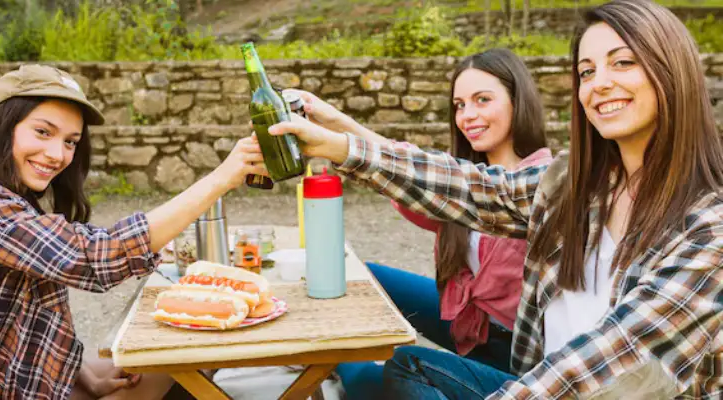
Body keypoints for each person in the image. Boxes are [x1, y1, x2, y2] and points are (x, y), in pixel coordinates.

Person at [269, 0, 723, 398]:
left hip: (577, 388)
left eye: (622, 63)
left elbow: (611, 355)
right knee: (406, 364)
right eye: (586, 71)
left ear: (671, 70)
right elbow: (469, 187)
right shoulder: (574, 184)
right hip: (534, 380)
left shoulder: (709, 226)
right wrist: (340, 144)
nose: (598, 83)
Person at [0, 65, 267, 399]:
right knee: (188, 365)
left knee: (178, 361)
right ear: (1, 127)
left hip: (17, 383)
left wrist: (84, 377)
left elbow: (23, 316)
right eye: (43, 132)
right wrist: (224, 176)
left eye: (71, 141)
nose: (57, 154)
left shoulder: (9, 201)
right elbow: (92, 256)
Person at [288, 47, 553, 399]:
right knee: (359, 275)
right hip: (470, 323)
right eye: (460, 105)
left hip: (515, 352)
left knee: (378, 377)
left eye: (482, 100)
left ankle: (334, 366)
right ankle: (329, 357)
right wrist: (336, 121)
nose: (468, 115)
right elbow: (407, 172)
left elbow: (413, 170)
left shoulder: (545, 184)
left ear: (518, 102)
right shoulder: (458, 179)